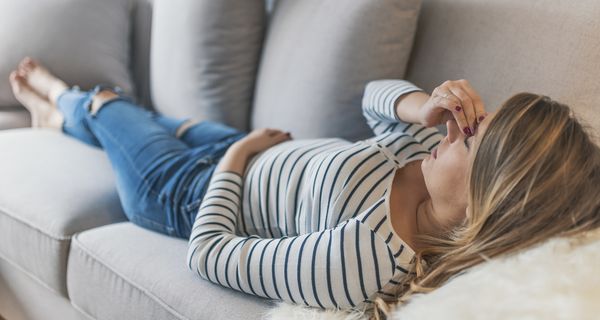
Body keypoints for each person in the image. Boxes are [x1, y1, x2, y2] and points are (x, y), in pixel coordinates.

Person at [9, 57, 599, 315]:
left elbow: (208, 253)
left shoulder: (361, 259)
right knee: (154, 122)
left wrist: (236, 160)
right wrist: (422, 108)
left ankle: (65, 98)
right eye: (475, 118)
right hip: (241, 144)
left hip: (187, 191)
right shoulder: (427, 146)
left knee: (117, 109)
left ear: (480, 206)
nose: (456, 128)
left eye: (469, 138)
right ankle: (61, 123)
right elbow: (373, 94)